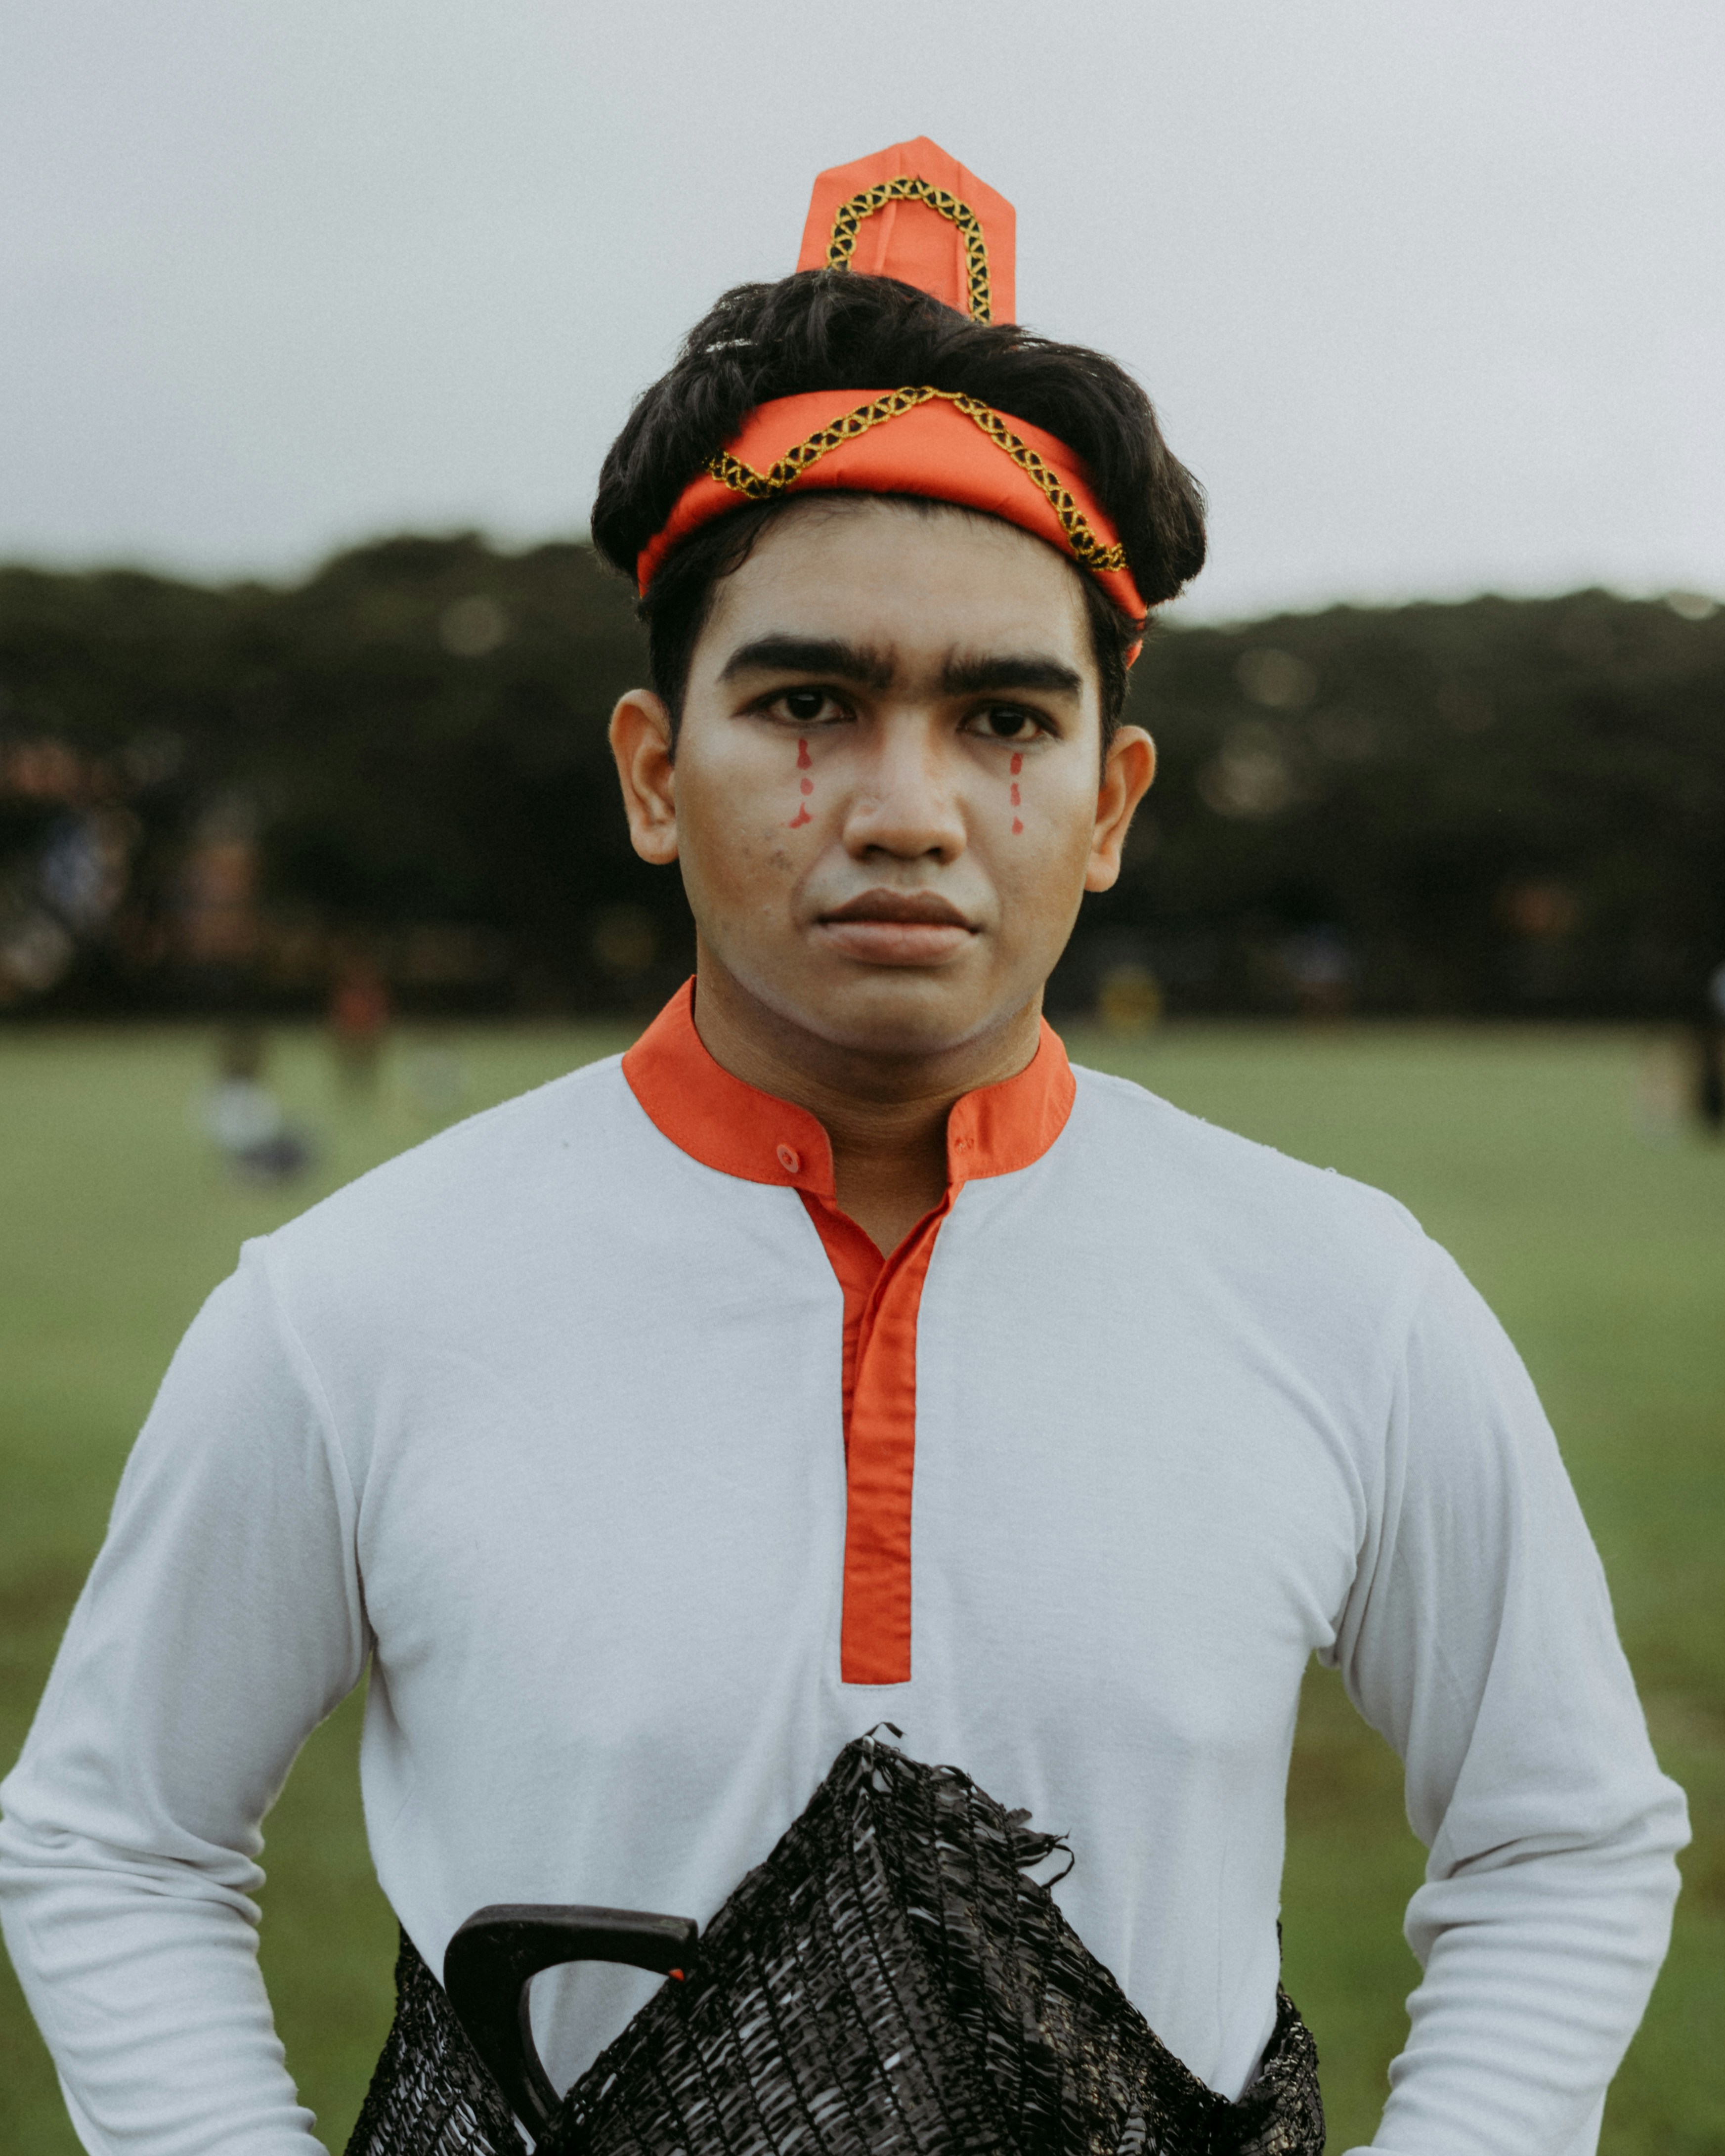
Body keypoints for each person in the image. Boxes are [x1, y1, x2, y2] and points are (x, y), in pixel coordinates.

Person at [0, 141, 1686, 2156]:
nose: (905, 806)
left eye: (1002, 718)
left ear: (1112, 796)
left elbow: (1562, 1835)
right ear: (655, 769)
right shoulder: (348, 1306)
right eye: (809, 700)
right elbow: (116, 1835)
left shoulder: (1350, 1296)